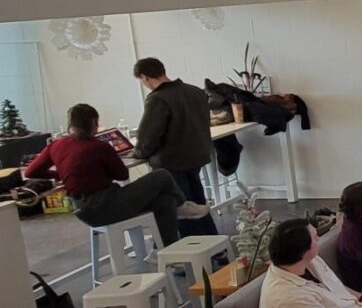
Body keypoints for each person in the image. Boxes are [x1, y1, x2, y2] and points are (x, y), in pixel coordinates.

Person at [24, 103, 210, 247]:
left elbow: (31, 171)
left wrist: (61, 174)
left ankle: (167, 251)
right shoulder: (99, 146)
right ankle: (183, 205)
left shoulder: (55, 145)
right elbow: (121, 175)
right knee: (161, 175)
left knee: (165, 202)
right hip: (105, 205)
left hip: (82, 210)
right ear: (94, 124)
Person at [130, 56, 218, 235]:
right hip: (197, 155)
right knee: (198, 203)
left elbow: (149, 136)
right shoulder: (195, 91)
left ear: (144, 77)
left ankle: (194, 250)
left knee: (183, 209)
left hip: (171, 161)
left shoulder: (157, 99)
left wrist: (139, 152)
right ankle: (216, 249)